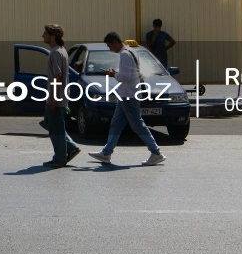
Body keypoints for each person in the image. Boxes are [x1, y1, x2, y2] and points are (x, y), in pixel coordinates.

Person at [89, 32, 165, 166]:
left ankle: (156, 152)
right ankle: (106, 153)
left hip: (129, 96)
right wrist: (116, 71)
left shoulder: (124, 54)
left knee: (138, 126)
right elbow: (129, 71)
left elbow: (125, 76)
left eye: (109, 45)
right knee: (116, 124)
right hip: (126, 95)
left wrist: (113, 74)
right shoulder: (130, 51)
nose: (109, 49)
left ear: (114, 42)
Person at [41, 24, 79, 168]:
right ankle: (70, 147)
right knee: (48, 122)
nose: (43, 36)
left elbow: (57, 76)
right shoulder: (60, 50)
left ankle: (60, 158)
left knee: (55, 129)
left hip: (56, 97)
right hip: (57, 95)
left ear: (53, 37)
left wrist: (53, 98)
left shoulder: (56, 53)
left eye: (45, 33)